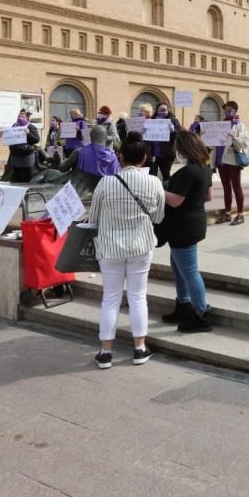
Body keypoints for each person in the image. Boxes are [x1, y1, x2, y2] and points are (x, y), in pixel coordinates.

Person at [87, 134, 165, 369]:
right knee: (138, 296)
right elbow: (159, 217)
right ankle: (140, 348)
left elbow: (94, 219)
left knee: (110, 298)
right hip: (141, 246)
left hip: (110, 248)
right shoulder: (154, 182)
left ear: (120, 158)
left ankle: (105, 352)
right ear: (144, 158)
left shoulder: (105, 183)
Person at [161, 131, 214, 333]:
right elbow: (208, 196)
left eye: (178, 148)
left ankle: (201, 313)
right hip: (195, 222)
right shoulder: (204, 169)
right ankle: (183, 304)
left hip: (183, 226)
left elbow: (175, 200)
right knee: (178, 268)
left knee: (190, 271)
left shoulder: (186, 172)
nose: (176, 152)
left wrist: (157, 187)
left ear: (184, 149)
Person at [213, 100, 249, 226]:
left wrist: (233, 137)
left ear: (235, 111)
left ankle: (240, 214)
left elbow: (244, 143)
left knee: (236, 186)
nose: (227, 112)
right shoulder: (220, 124)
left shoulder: (240, 126)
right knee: (226, 188)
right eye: (225, 110)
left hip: (233, 160)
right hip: (220, 160)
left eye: (230, 110)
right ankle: (227, 213)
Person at [54, 123, 119, 192]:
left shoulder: (79, 151)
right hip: (103, 190)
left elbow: (63, 168)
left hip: (79, 188)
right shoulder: (113, 157)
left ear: (90, 137)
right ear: (106, 138)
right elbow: (116, 177)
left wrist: (58, 160)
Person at [7, 110, 40, 183]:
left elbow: (36, 139)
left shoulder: (31, 127)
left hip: (26, 157)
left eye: (22, 117)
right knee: (16, 179)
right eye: (18, 116)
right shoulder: (14, 126)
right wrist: (3, 135)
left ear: (27, 118)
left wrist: (28, 133)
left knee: (26, 178)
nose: (20, 118)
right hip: (15, 156)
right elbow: (9, 138)